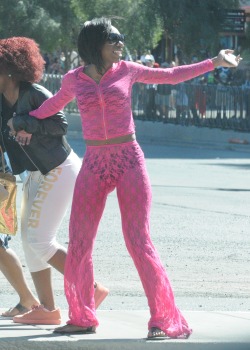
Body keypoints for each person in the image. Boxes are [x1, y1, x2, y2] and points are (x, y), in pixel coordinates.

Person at [27, 17, 241, 338]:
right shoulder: (74, 79)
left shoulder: (129, 69)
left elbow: (171, 76)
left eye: (121, 39)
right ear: (95, 44)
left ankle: (161, 319)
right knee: (80, 241)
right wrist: (21, 119)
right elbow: (51, 106)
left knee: (138, 241)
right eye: (113, 39)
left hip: (128, 158)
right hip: (95, 162)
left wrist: (214, 62)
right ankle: (83, 317)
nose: (119, 44)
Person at [0, 37, 108, 324]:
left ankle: (91, 290)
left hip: (59, 168)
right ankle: (47, 310)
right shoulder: (1, 102)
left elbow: (60, 124)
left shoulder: (34, 93)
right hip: (35, 173)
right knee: (29, 240)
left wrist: (24, 123)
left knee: (39, 238)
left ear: (9, 71)